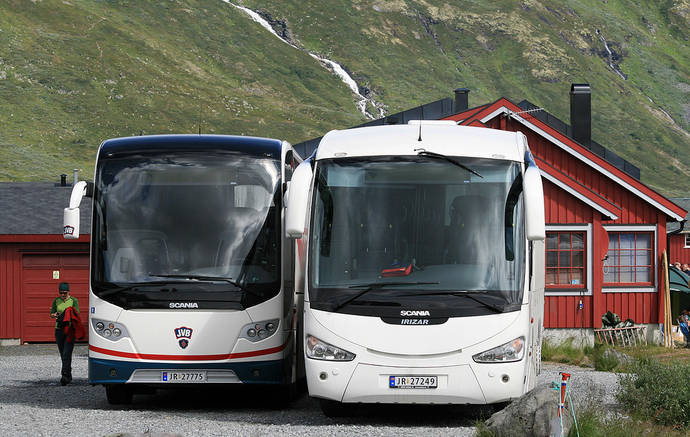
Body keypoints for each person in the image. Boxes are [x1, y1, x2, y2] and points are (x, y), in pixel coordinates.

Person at [50, 282, 80, 385]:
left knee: (67, 353)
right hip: (59, 329)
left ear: (68, 292)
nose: (63, 295)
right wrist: (54, 315)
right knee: (62, 353)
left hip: (70, 330)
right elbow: (52, 313)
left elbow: (77, 314)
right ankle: (68, 373)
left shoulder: (73, 301)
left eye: (65, 293)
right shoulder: (56, 301)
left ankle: (65, 375)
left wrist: (68, 316)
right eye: (61, 293)